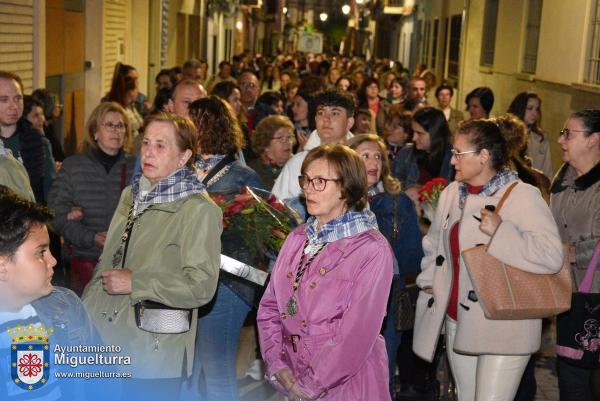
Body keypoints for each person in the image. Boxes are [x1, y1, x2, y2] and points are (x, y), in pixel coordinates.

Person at [412, 118, 564, 401]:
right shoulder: (450, 194)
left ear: (483, 156)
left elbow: (551, 256)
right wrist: (429, 283)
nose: (453, 160)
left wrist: (501, 232)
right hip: (458, 321)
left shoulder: (522, 196)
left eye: (459, 153)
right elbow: (434, 247)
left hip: (504, 323)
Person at [82, 113, 222, 399]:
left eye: (161, 145)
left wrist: (138, 282)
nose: (148, 151)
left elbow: (202, 287)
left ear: (184, 157)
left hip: (153, 351)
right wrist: (82, 311)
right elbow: (108, 261)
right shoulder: (131, 195)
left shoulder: (198, 209)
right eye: (146, 142)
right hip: (105, 336)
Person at [258, 144, 394, 401]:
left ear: (346, 187)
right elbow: (270, 308)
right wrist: (279, 366)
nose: (308, 188)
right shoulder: (298, 238)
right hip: (293, 378)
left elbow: (355, 336)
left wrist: (309, 385)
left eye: (320, 181)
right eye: (306, 179)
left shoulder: (371, 249)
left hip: (347, 385)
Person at [185, 96, 264, 401]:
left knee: (217, 373)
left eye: (191, 121)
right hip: (188, 280)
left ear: (208, 126)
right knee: (187, 371)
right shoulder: (183, 168)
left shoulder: (243, 176)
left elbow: (260, 235)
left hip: (228, 285)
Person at [0, 185, 112, 401]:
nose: (53, 261)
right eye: (41, 253)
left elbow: (102, 379)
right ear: (2, 265)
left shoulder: (66, 306)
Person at [348, 134, 423, 397]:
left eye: (378, 156)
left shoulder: (395, 200)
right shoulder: (336, 198)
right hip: (342, 297)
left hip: (385, 296)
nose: (373, 162)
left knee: (381, 369)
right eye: (365, 155)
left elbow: (412, 255)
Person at [48, 102, 135, 295]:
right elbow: (56, 215)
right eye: (109, 125)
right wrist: (92, 238)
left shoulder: (135, 167)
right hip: (84, 258)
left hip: (126, 261)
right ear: (95, 131)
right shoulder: (73, 166)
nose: (116, 130)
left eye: (121, 126)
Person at [550, 109, 600, 401]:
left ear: (593, 139)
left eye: (569, 133)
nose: (560, 140)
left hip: (594, 298)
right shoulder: (563, 178)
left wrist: (567, 252)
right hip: (568, 298)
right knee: (570, 382)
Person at [272, 90, 355, 216]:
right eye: (321, 113)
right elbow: (274, 211)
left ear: (349, 122)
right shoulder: (297, 163)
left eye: (335, 113)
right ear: (316, 119)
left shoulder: (361, 161)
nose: (326, 119)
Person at [0, 71, 53, 203]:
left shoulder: (38, 142)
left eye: (18, 98)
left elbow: (50, 189)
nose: (14, 106)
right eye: (4, 100)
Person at [392, 107, 454, 216]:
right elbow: (391, 189)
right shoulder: (405, 154)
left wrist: (424, 191)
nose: (414, 138)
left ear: (435, 133)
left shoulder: (454, 159)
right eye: (413, 132)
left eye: (419, 133)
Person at [507, 92, 553, 178]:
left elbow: (547, 170)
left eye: (537, 109)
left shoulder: (541, 138)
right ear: (520, 108)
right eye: (530, 108)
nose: (534, 113)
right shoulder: (508, 134)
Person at [248, 115, 295, 188]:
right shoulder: (250, 173)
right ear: (265, 143)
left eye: (289, 137)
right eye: (280, 138)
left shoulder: (298, 166)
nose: (287, 142)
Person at [105, 62, 145, 134]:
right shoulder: (115, 109)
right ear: (131, 91)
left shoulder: (131, 105)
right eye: (136, 82)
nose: (138, 91)